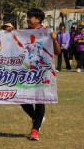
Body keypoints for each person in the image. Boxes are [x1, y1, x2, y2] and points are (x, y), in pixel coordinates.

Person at [21, 8, 61, 141]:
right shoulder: (23, 32)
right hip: (26, 70)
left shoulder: (47, 33)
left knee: (39, 99)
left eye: (30, 17)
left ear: (38, 19)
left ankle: (35, 130)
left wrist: (54, 40)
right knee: (21, 97)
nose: (27, 19)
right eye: (27, 17)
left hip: (41, 71)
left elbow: (57, 52)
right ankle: (36, 118)